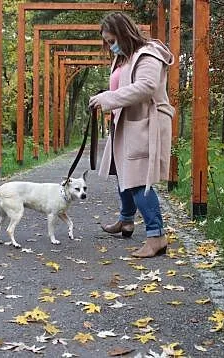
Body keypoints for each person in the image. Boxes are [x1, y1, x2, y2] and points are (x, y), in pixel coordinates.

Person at [88, 12, 174, 258]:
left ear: (124, 34)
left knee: (138, 180)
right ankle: (126, 220)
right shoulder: (124, 57)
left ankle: (156, 236)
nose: (109, 45)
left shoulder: (147, 55)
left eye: (111, 39)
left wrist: (108, 98)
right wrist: (106, 99)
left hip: (145, 124)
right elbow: (123, 87)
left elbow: (146, 87)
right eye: (106, 41)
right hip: (124, 122)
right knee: (122, 173)